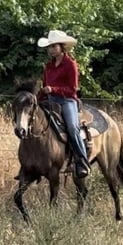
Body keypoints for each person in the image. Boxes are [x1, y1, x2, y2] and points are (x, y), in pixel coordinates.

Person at [37, 30, 91, 177]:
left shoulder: (70, 64)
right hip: (49, 100)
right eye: (49, 47)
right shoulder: (48, 66)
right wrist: (38, 97)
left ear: (62, 47)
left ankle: (82, 161)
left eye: (54, 46)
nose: (51, 49)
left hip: (67, 100)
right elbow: (45, 86)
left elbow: (72, 88)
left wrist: (52, 89)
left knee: (72, 128)